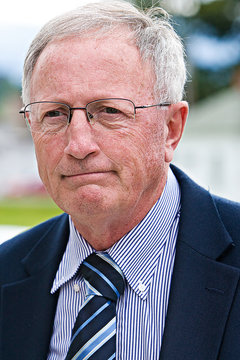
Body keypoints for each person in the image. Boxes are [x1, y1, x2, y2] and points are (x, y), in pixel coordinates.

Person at [0, 1, 240, 359]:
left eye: (109, 110)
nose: (79, 145)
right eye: (54, 113)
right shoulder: (6, 273)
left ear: (171, 129)